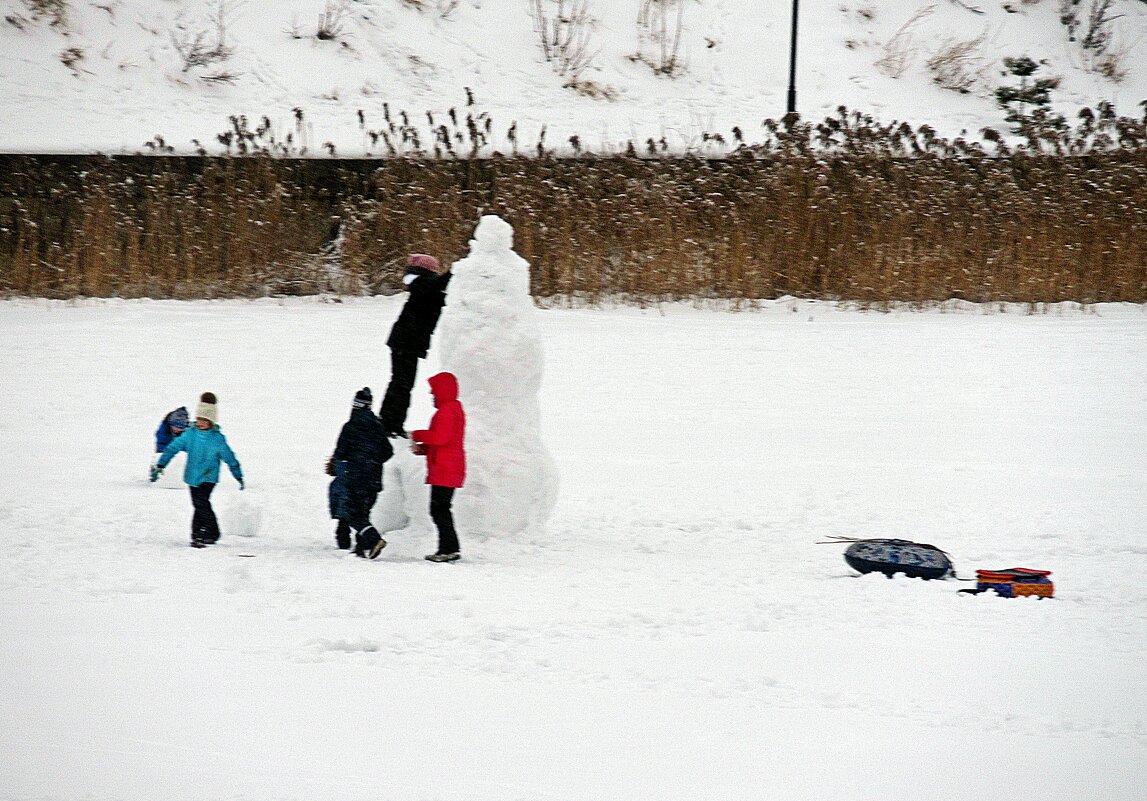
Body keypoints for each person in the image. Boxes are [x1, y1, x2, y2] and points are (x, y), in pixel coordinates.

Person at [150, 392, 244, 548]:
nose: (200, 423)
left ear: (211, 422)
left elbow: (229, 457)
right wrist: (161, 464)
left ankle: (203, 534)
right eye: (199, 419)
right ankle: (205, 534)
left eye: (205, 421)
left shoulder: (217, 439)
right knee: (199, 505)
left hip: (208, 477)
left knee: (201, 503)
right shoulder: (189, 435)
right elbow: (172, 448)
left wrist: (238, 475)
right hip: (192, 477)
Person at [379, 253, 451, 438]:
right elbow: (437, 284)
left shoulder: (425, 288)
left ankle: (393, 423)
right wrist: (455, 271)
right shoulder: (420, 284)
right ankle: (388, 424)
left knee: (403, 384)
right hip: (405, 342)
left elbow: (441, 296)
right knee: (401, 384)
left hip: (408, 343)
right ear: (427, 270)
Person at [328, 387, 392, 558]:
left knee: (352, 513)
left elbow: (340, 453)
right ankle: (361, 549)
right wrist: (373, 461)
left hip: (356, 477)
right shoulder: (378, 426)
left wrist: (355, 461)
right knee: (365, 512)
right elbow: (388, 451)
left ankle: (374, 539)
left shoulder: (350, 427)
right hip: (374, 478)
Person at [410, 372, 465, 562]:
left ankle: (448, 549)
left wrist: (417, 435)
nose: (432, 395)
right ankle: (449, 548)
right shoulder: (450, 409)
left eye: (434, 391)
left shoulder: (448, 410)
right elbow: (443, 440)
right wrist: (424, 449)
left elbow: (441, 437)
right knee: (441, 509)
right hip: (446, 468)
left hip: (446, 469)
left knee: (439, 509)